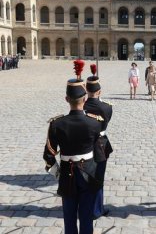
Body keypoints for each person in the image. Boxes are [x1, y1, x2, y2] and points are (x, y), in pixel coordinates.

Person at [43, 60, 103, 234]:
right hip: (88, 173)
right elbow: (100, 154)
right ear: (84, 99)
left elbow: (48, 155)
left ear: (66, 99)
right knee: (86, 220)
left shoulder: (57, 124)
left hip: (67, 175)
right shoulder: (94, 123)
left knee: (69, 220)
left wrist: (57, 173)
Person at [84, 64, 113, 220]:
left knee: (85, 177)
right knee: (98, 178)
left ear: (86, 91)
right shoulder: (107, 108)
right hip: (100, 145)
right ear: (99, 91)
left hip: (84, 146)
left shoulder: (82, 106)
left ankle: (87, 206)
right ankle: (97, 209)